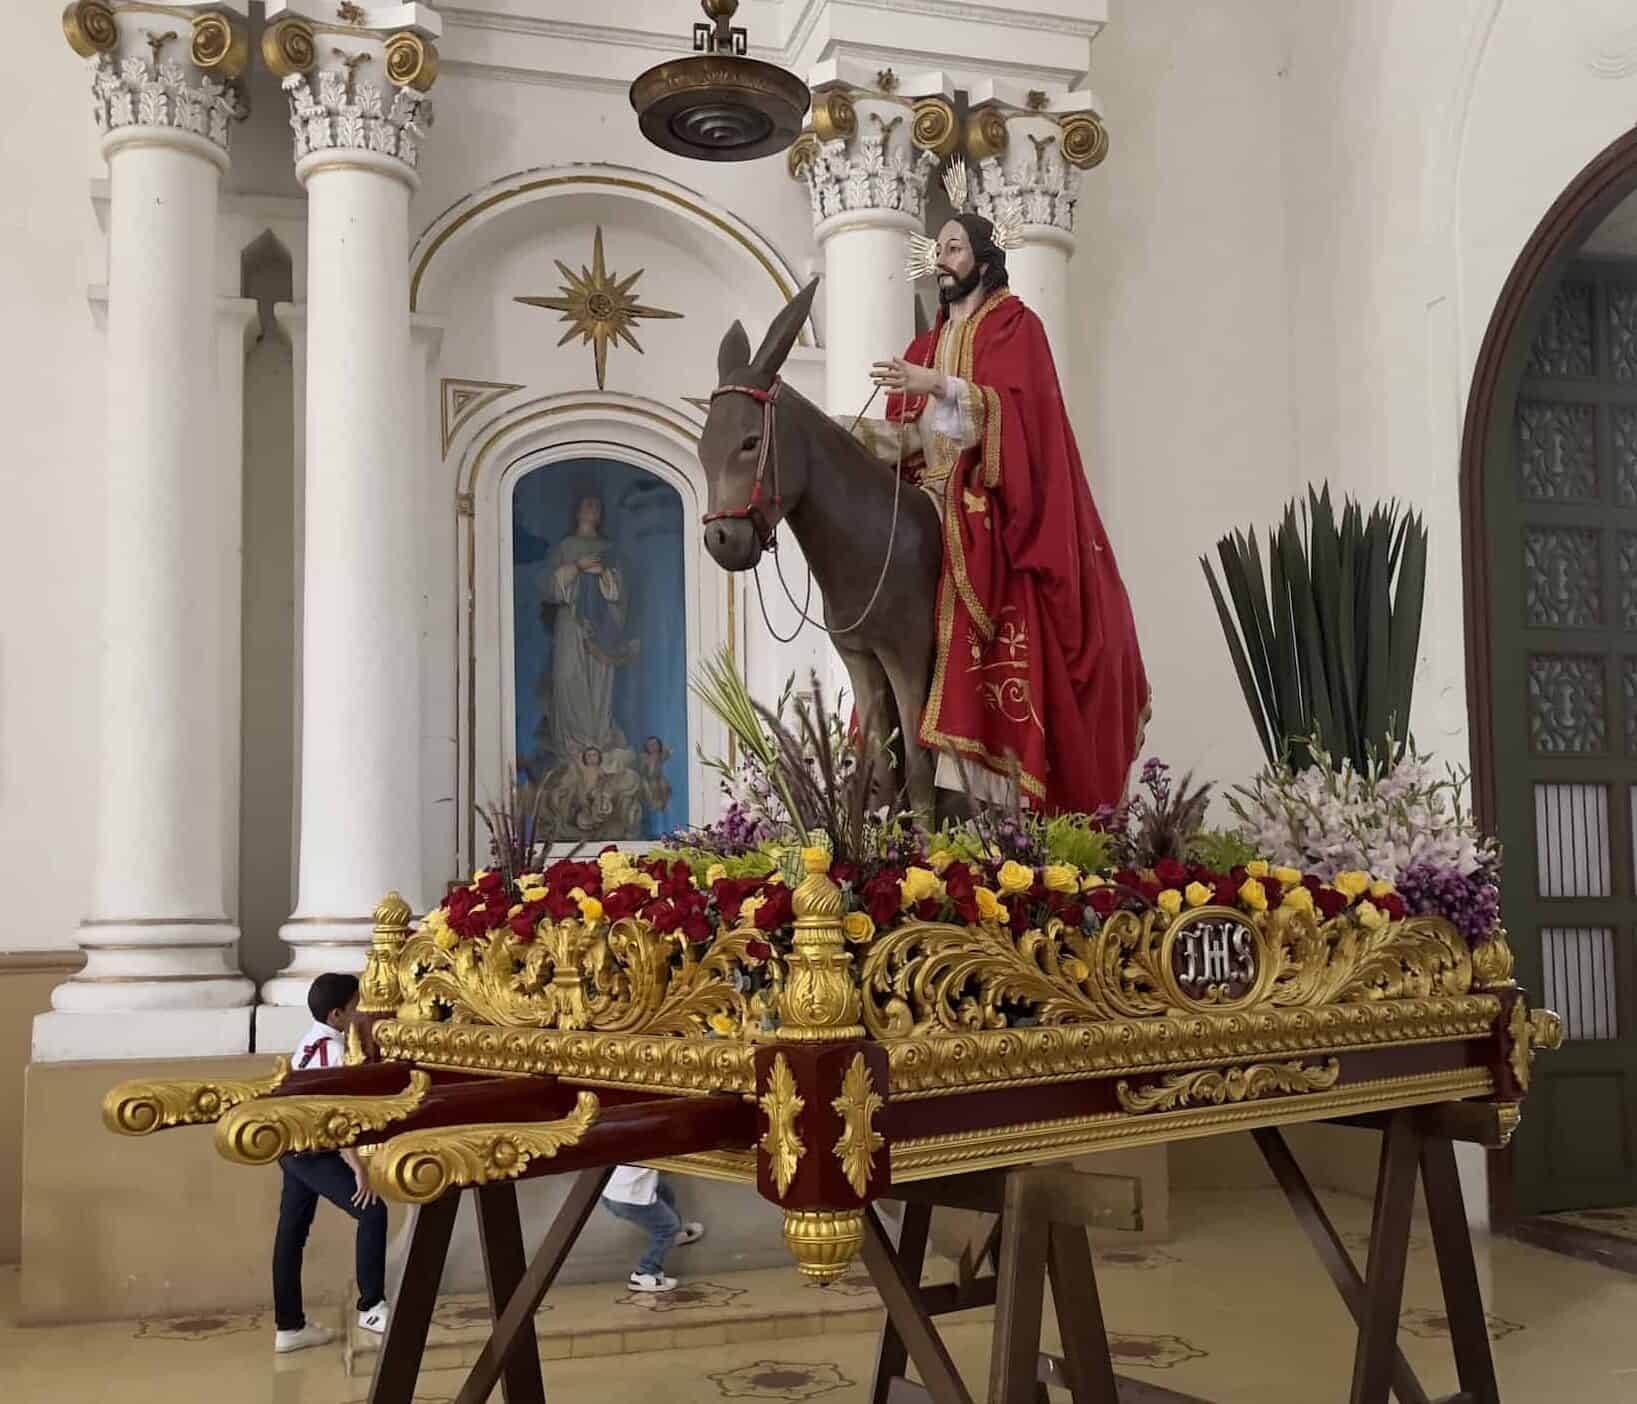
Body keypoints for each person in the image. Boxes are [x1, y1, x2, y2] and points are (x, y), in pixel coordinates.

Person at [855, 212, 1149, 814]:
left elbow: (1020, 417)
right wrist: (849, 438)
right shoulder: (925, 344)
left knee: (981, 562)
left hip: (990, 504)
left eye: (954, 247)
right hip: (924, 495)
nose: (941, 260)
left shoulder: (1016, 326)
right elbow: (910, 440)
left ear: (984, 259)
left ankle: (990, 783)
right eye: (937, 249)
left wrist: (937, 384)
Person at [272, 973, 389, 1354]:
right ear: (337, 1014)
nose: (362, 1014)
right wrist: (357, 1165)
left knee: (291, 1234)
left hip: (292, 1150)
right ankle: (371, 1306)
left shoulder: (309, 1040)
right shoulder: (333, 1052)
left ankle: (289, 1327)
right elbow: (335, 1114)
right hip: (311, 1152)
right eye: (357, 1008)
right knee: (372, 1212)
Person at [600, 1165, 706, 1293]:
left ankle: (672, 1237)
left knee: (664, 1190)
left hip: (612, 1191)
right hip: (628, 1198)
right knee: (667, 1227)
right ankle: (645, 1273)